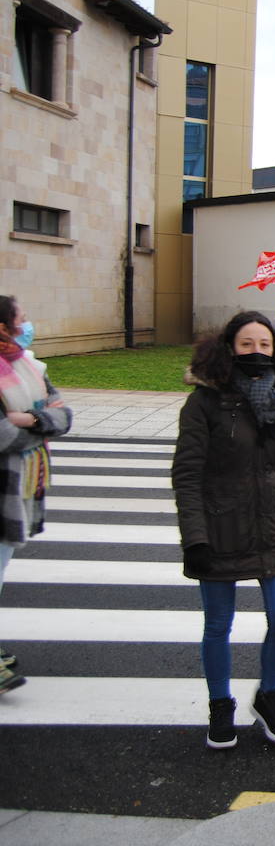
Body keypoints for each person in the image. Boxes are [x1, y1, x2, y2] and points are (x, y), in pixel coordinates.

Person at [173, 310, 275, 749]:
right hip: (219, 526)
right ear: (229, 348)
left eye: (265, 345)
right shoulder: (204, 403)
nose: (256, 352)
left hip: (273, 523)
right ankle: (220, 703)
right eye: (247, 344)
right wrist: (194, 538)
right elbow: (187, 474)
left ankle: (269, 696)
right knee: (218, 624)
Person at [0, 295, 73, 695]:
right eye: (21, 319)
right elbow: (2, 434)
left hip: (21, 484)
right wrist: (41, 423)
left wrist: (31, 419)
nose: (27, 324)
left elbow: (63, 415)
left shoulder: (29, 366)